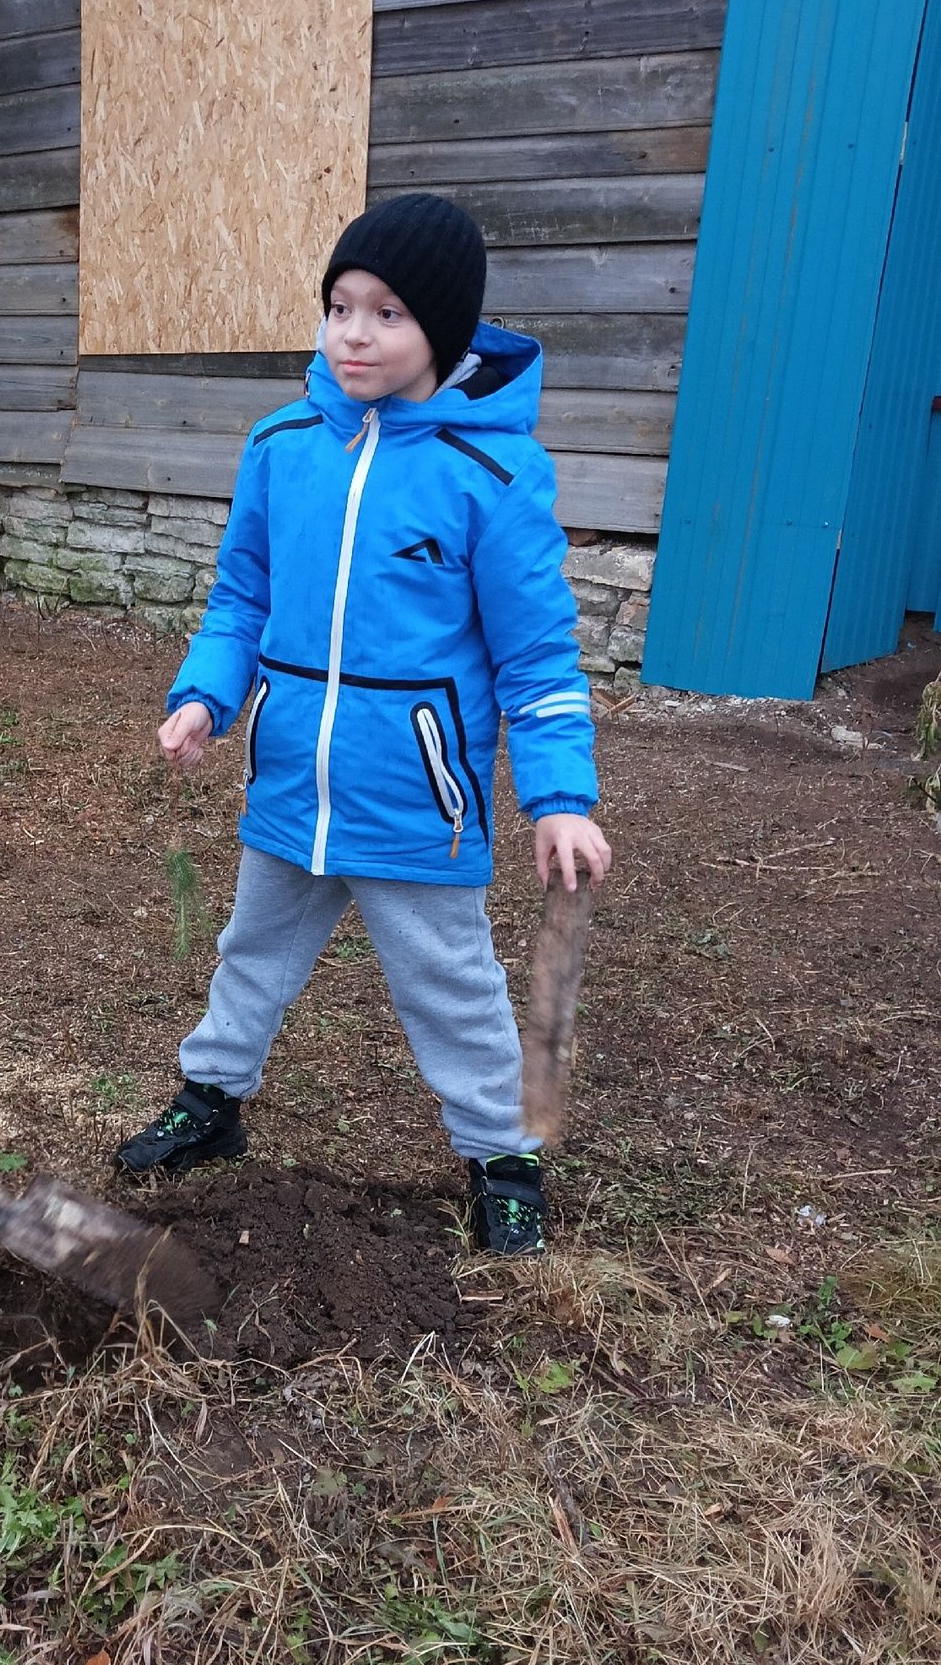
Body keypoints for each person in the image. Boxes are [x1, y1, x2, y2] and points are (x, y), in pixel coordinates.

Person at [115, 194, 612, 1256]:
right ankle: (211, 1104)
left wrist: (560, 797)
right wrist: (205, 696)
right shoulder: (283, 444)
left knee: (452, 984)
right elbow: (240, 599)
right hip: (291, 778)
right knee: (250, 951)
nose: (353, 333)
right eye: (338, 306)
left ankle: (501, 1157)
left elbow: (537, 659)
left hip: (415, 803)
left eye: (386, 313)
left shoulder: (492, 474)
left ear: (444, 327)